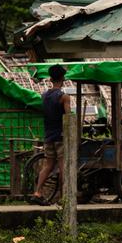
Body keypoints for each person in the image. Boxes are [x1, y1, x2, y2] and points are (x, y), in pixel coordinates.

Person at [33, 64, 70, 204]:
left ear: (50, 78)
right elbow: (68, 117)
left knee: (48, 165)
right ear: (63, 78)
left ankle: (37, 192)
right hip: (60, 137)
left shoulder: (44, 96)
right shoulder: (64, 97)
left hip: (48, 135)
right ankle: (63, 197)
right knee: (63, 167)